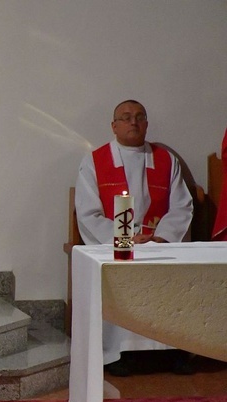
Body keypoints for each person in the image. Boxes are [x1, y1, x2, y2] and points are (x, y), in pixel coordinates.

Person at [75, 99, 195, 376]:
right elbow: (88, 212)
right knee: (118, 271)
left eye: (139, 117)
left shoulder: (166, 160)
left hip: (158, 244)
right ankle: (118, 354)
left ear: (146, 124)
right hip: (116, 244)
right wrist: (126, 238)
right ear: (114, 126)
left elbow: (182, 205)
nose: (133, 122)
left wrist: (161, 238)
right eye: (126, 117)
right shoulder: (95, 161)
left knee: (174, 273)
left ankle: (172, 351)